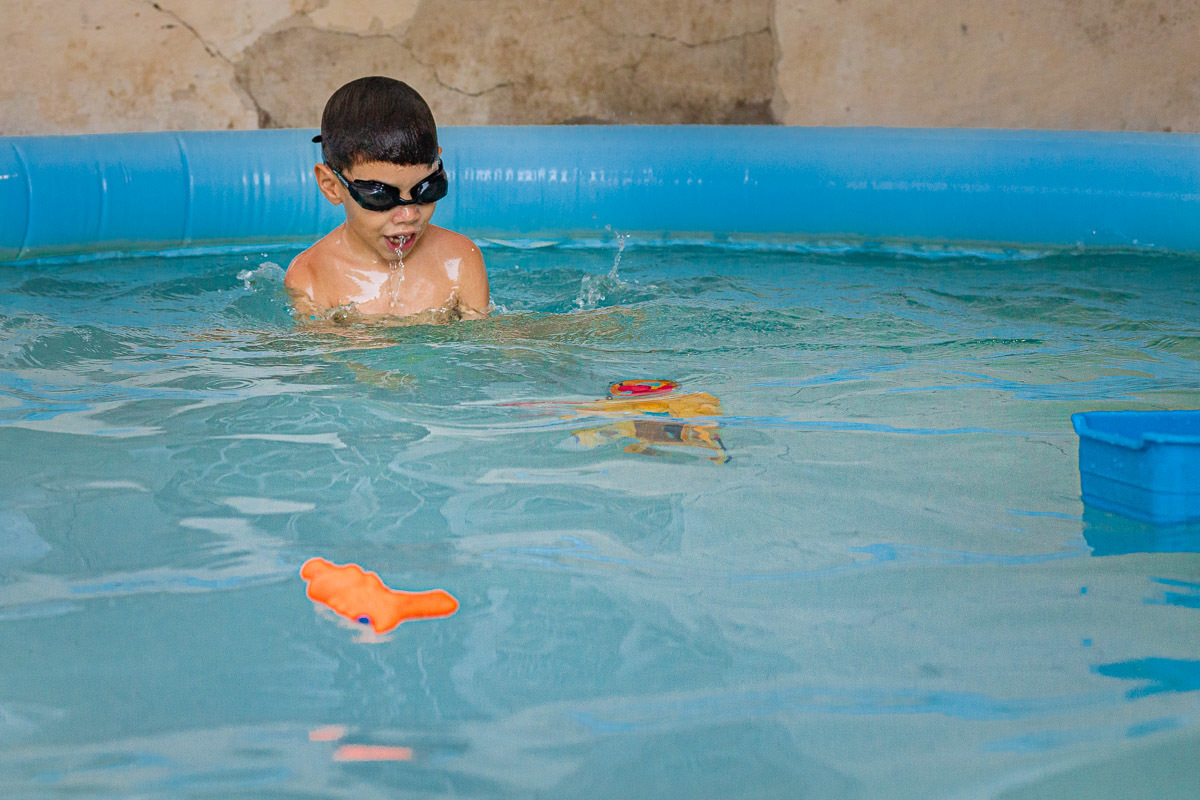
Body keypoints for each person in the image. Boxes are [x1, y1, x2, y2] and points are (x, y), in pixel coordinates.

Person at [285, 76, 489, 321]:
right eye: (381, 196)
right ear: (331, 186)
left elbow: (478, 351)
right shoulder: (310, 276)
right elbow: (324, 357)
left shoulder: (459, 260)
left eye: (427, 189)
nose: (409, 214)